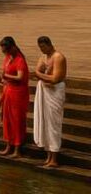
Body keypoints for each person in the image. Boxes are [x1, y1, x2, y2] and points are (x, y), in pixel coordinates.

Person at [33, 36, 67, 168]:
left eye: (42, 47)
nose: (41, 50)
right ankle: (48, 156)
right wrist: (41, 75)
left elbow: (55, 79)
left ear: (49, 44)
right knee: (45, 123)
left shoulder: (59, 57)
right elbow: (38, 70)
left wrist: (39, 75)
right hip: (45, 91)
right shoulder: (43, 57)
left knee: (54, 124)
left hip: (55, 92)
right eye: (40, 48)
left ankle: (54, 157)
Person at [0, 36, 30, 158]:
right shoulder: (7, 58)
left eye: (6, 50)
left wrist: (5, 76)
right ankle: (8, 145)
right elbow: (6, 78)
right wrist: (2, 81)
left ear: (12, 48)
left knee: (17, 120)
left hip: (18, 93)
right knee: (7, 120)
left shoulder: (20, 60)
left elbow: (20, 77)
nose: (4, 53)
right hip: (8, 91)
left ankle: (17, 148)